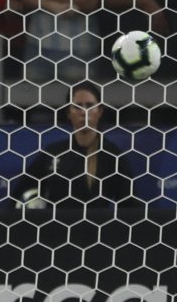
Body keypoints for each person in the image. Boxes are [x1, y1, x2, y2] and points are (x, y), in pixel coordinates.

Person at [11, 81, 133, 209]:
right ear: (69, 112)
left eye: (90, 105)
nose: (84, 112)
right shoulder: (53, 153)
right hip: (55, 227)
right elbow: (18, 195)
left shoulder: (112, 155)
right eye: (78, 106)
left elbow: (130, 208)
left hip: (96, 228)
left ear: (100, 111)